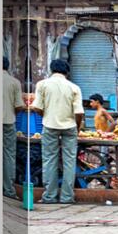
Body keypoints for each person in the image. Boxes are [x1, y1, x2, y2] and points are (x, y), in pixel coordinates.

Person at [31, 59, 84, 204]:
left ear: (51, 70)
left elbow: (36, 107)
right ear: (67, 72)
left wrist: (46, 115)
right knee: (69, 161)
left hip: (49, 126)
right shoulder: (74, 87)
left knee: (49, 160)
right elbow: (79, 113)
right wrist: (77, 127)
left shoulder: (42, 85)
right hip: (70, 127)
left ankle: (49, 196)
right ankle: (67, 197)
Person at [3, 57, 25, 199]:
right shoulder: (14, 82)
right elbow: (19, 106)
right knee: (8, 156)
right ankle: (8, 190)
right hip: (8, 122)